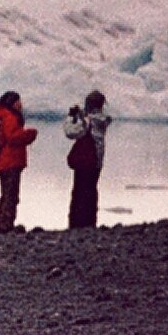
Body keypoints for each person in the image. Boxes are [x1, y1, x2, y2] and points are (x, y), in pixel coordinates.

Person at [0, 90, 41, 232]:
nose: (20, 104)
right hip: (10, 162)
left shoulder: (6, 116)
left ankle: (1, 225)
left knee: (7, 195)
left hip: (6, 162)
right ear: (11, 103)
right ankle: (5, 226)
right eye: (18, 101)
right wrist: (30, 134)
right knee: (10, 196)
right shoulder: (10, 117)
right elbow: (13, 137)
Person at [64, 90, 111, 230]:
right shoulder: (102, 120)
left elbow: (71, 132)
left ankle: (77, 222)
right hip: (96, 160)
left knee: (79, 191)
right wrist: (82, 115)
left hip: (84, 161)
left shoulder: (88, 121)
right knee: (91, 190)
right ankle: (90, 221)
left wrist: (71, 117)